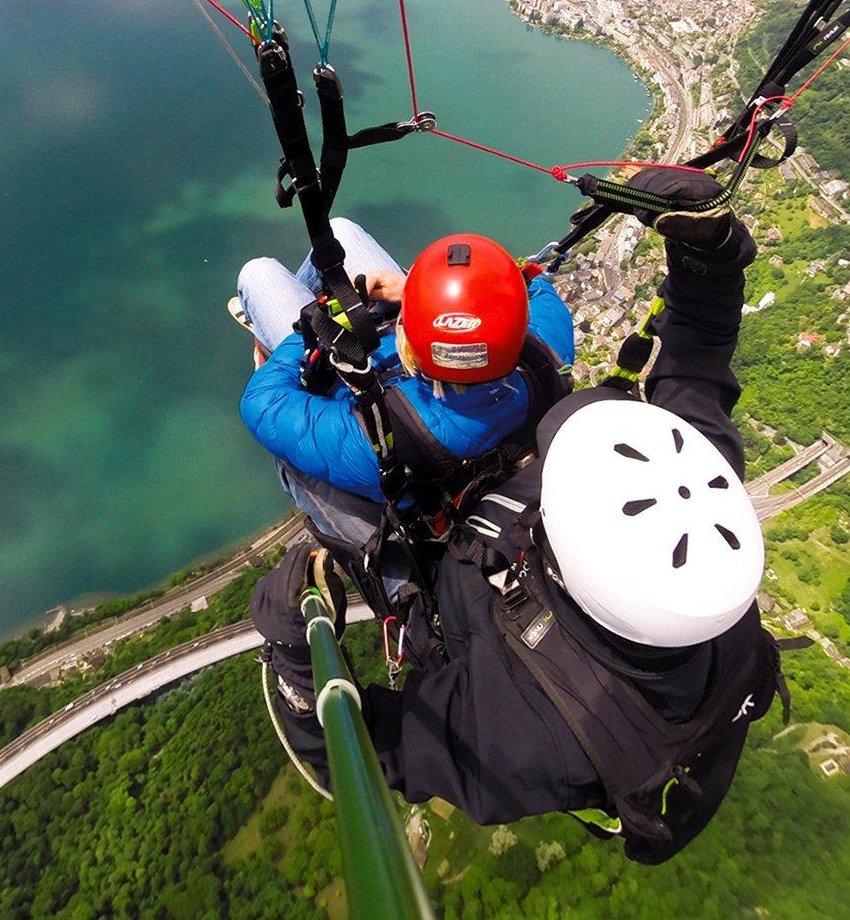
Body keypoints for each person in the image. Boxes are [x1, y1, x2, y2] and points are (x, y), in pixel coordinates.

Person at [251, 169, 785, 865]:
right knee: (323, 256)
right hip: (470, 502)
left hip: (436, 563)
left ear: (559, 553)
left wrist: (293, 657)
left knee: (272, 288)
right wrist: (708, 252)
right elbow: (696, 358)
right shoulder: (685, 483)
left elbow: (355, 760)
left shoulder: (529, 734)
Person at [236, 217, 575, 560]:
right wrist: (417, 290)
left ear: (410, 345)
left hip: (336, 365)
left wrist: (310, 330)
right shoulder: (544, 351)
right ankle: (310, 299)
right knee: (337, 231)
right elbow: (528, 284)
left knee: (256, 274)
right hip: (411, 358)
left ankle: (287, 319)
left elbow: (262, 400)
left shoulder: (380, 439)